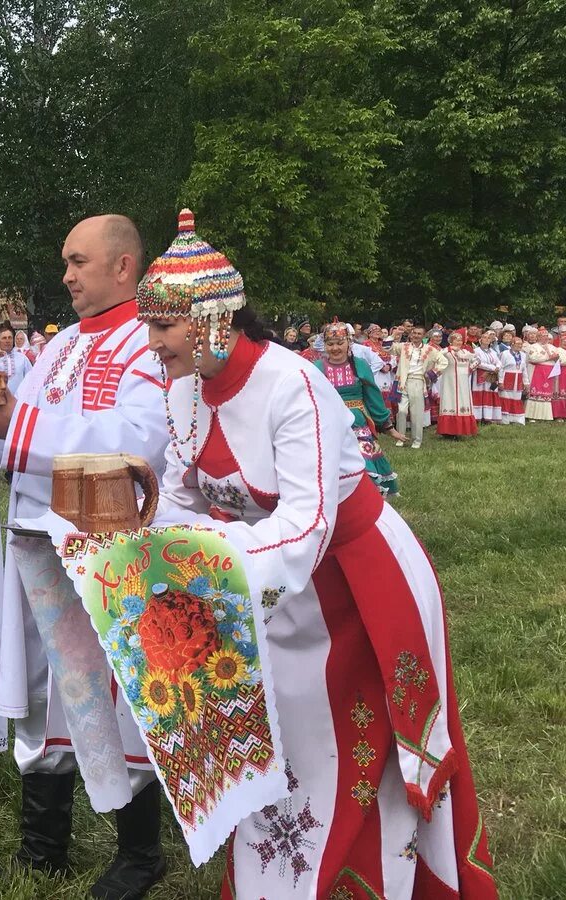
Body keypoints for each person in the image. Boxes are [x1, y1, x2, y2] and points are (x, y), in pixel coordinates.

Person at [137, 211, 495, 900]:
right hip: (272, 588)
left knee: (359, 749)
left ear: (214, 319)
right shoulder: (182, 387)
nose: (150, 343)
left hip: (355, 585)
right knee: (287, 744)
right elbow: (183, 491)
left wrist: (199, 562)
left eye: (162, 327)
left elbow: (305, 522)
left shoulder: (291, 384)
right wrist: (158, 550)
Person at [0, 214, 171, 899]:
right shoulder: (63, 344)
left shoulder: (151, 340)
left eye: (78, 262)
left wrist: (14, 423)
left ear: (124, 266)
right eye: (65, 263)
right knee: (43, 691)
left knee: (110, 691)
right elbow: (22, 433)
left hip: (108, 550)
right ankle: (42, 847)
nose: (67, 275)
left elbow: (138, 442)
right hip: (39, 541)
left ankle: (140, 853)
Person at [316, 322, 403, 495]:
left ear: (349, 343)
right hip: (329, 425)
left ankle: (368, 499)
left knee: (363, 463)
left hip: (357, 423)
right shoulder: (317, 368)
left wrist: (388, 427)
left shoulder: (360, 365)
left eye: (340, 343)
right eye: (330, 344)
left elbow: (373, 397)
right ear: (324, 345)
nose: (335, 348)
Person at [394, 325, 445, 449]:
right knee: (401, 411)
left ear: (424, 336)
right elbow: (387, 347)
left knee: (416, 412)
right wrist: (395, 334)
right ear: (411, 334)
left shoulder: (430, 349)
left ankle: (417, 440)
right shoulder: (404, 346)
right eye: (414, 333)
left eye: (419, 334)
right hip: (402, 381)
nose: (416, 335)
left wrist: (431, 374)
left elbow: (443, 362)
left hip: (417, 381)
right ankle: (401, 438)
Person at [438, 331, 480, 439]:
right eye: (456, 339)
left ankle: (461, 430)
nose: (459, 342)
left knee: (463, 403)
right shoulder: (446, 352)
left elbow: (477, 360)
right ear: (451, 341)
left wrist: (470, 369)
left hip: (463, 382)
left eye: (460, 340)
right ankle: (448, 431)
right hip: (449, 382)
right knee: (449, 402)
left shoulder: (465, 352)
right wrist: (449, 349)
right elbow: (437, 356)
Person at [525, 329, 558, 422]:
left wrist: (554, 358)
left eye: (547, 336)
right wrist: (548, 357)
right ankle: (531, 416)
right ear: (538, 337)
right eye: (543, 336)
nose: (546, 338)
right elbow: (533, 358)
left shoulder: (552, 347)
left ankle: (545, 416)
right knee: (535, 394)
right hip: (537, 373)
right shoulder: (533, 347)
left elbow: (556, 357)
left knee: (546, 395)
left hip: (548, 374)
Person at [471, 330, 502, 425]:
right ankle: (478, 417)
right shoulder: (476, 351)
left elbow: (498, 361)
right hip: (480, 377)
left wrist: (498, 367)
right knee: (480, 395)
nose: (486, 339)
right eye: (484, 337)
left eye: (488, 338)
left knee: (489, 395)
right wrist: (493, 368)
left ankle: (488, 417)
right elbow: (478, 363)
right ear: (480, 340)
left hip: (491, 377)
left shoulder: (493, 351)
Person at [498, 334, 527, 425]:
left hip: (518, 379)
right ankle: (505, 420)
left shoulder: (523, 355)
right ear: (512, 344)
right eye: (518, 343)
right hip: (507, 377)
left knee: (517, 399)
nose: (520, 345)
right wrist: (500, 381)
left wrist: (526, 382)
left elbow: (524, 369)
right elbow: (501, 368)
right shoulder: (505, 354)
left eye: (521, 344)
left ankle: (517, 419)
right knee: (506, 398)